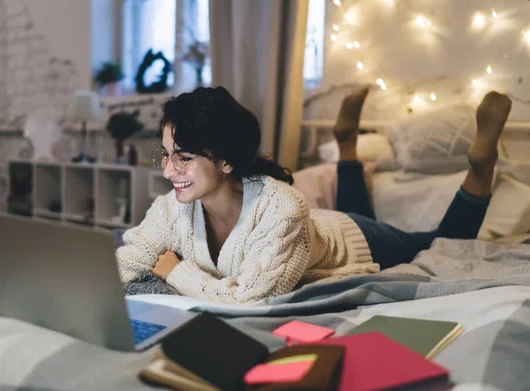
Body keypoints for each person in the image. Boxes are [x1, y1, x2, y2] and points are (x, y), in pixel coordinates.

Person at [115, 86, 511, 304]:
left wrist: (176, 271)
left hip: (355, 240)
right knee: (356, 204)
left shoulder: (282, 206)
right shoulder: (172, 208)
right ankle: (347, 146)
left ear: (226, 162)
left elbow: (250, 298)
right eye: (165, 156)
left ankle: (480, 167)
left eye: (183, 158)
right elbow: (133, 252)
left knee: (435, 242)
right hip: (315, 228)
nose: (169, 171)